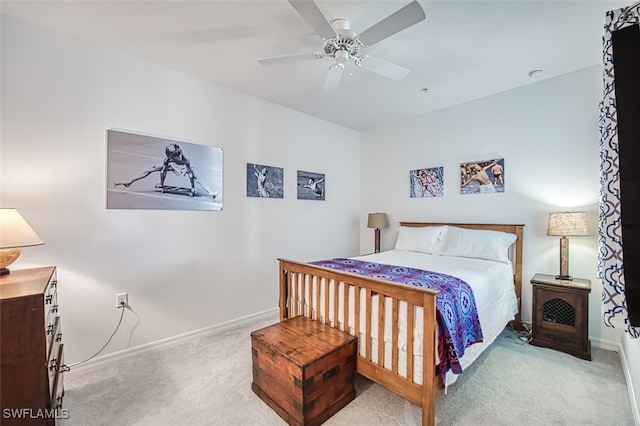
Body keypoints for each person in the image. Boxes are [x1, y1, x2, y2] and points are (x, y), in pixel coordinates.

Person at [115, 144, 216, 198]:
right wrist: (162, 184)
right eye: (177, 155)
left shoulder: (185, 158)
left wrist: (193, 187)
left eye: (179, 154)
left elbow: (190, 172)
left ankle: (211, 192)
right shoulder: (168, 159)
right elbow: (163, 171)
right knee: (153, 167)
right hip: (173, 165)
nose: (179, 156)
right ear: (170, 156)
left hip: (185, 167)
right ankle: (129, 181)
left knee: (196, 176)